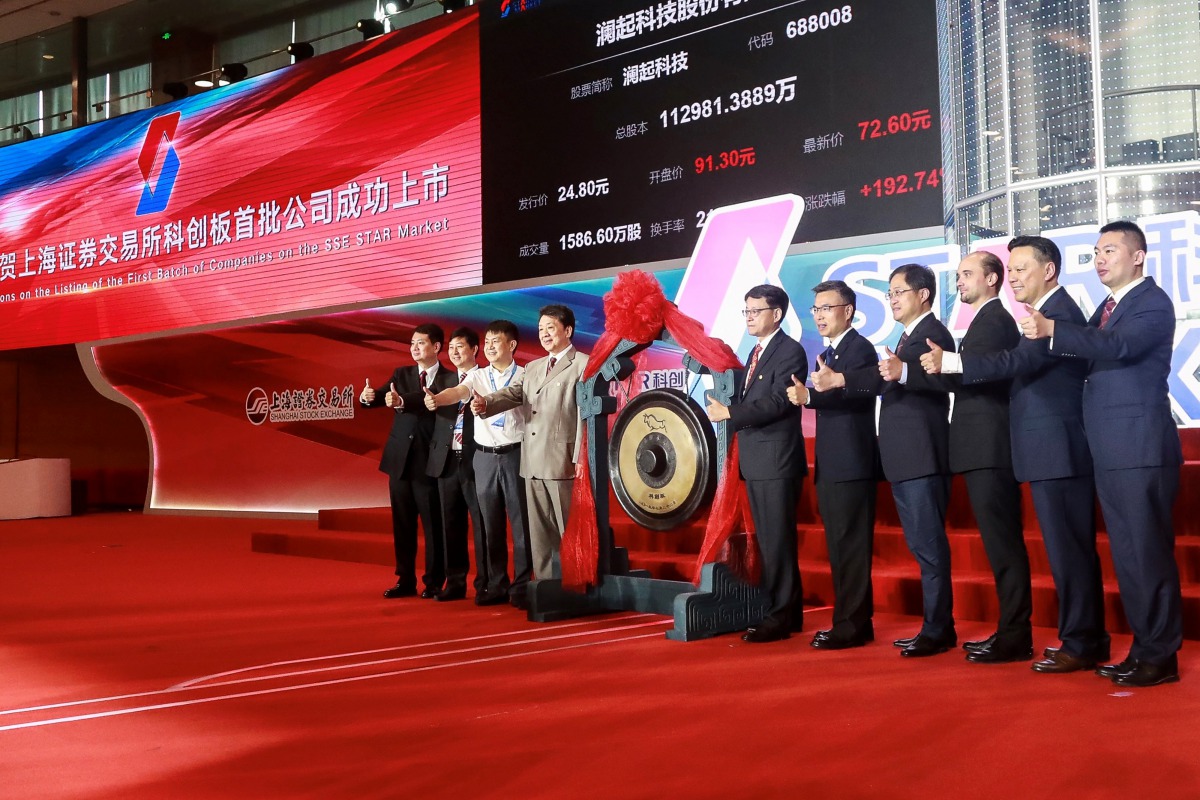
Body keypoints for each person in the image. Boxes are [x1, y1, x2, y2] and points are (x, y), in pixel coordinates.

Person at [922, 235, 1107, 673]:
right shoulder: (1043, 315)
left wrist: (953, 363)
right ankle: (1083, 638)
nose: (1014, 277)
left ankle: (1082, 642)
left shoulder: (1056, 314)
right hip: (1045, 448)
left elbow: (1013, 364)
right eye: (1013, 268)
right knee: (1067, 550)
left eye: (1022, 268)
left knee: (1070, 550)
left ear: (1049, 271)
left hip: (1058, 446)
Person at [1020, 220, 1183, 687]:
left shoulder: (1150, 302)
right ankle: (1144, 649)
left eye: (1110, 250)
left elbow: (1121, 346)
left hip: (1139, 448)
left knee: (1146, 553)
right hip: (1110, 450)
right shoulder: (1107, 309)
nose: (1100, 259)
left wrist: (1054, 329)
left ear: (1138, 256)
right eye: (1095, 252)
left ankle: (1159, 656)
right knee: (1130, 556)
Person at [813, 263, 956, 657]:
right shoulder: (908, 336)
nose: (891, 299)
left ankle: (939, 629)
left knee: (929, 549)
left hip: (923, 456)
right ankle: (936, 627)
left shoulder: (933, 335)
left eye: (898, 292)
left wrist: (899, 371)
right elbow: (885, 379)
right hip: (905, 460)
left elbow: (931, 379)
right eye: (889, 293)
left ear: (923, 295)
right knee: (922, 548)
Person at [903, 252, 1033, 664]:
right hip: (978, 448)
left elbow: (988, 373)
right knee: (999, 547)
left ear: (992, 280)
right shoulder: (981, 320)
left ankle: (1015, 635)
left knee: (1004, 546)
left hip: (990, 447)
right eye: (957, 275)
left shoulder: (996, 320)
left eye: (967, 274)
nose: (958, 282)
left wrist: (947, 366)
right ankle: (1009, 631)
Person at [706, 284, 807, 643]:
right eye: (745, 311)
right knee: (769, 540)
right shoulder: (756, 352)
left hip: (777, 461)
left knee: (777, 542)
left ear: (776, 314)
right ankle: (785, 612)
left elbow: (780, 401)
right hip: (758, 461)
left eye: (755, 311)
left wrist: (730, 413)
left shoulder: (790, 351)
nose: (749, 317)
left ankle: (780, 616)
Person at [786, 280, 880, 649]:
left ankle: (852, 625)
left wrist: (810, 395)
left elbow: (860, 392)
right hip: (832, 465)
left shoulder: (859, 348)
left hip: (853, 464)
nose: (820, 316)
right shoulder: (830, 353)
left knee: (852, 547)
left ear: (848, 311)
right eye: (816, 309)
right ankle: (850, 621)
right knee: (840, 548)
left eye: (827, 308)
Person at [474, 305, 587, 599]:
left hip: (564, 462)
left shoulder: (584, 364)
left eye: (550, 328)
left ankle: (579, 588)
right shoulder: (534, 367)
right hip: (532, 460)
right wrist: (486, 403)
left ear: (567, 331)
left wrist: (580, 458)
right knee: (540, 535)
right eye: (540, 329)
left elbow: (586, 416)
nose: (545, 334)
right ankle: (551, 589)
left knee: (568, 529)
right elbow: (514, 394)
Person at [428, 320, 532, 607]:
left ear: (511, 345)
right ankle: (497, 585)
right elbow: (459, 393)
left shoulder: (526, 374)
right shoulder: (478, 376)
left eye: (495, 341)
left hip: (515, 454)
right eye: (486, 341)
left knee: (520, 524)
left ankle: (522, 586)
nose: (488, 346)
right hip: (484, 457)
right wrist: (438, 398)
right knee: (491, 525)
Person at [359, 324, 455, 599]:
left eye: (420, 343)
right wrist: (368, 398)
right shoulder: (401, 373)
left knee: (432, 526)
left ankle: (434, 580)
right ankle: (405, 580)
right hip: (400, 461)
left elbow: (423, 401)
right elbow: (382, 396)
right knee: (402, 524)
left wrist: (401, 400)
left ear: (436, 347)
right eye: (411, 343)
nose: (414, 348)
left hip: (429, 461)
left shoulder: (449, 379)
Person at [424, 327, 483, 602]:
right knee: (451, 525)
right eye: (452, 348)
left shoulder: (485, 377)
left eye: (461, 347)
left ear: (475, 350)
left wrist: (440, 398)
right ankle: (455, 582)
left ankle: (485, 582)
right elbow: (418, 401)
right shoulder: (443, 379)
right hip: (446, 460)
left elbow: (457, 395)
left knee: (482, 523)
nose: (455, 352)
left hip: (476, 459)